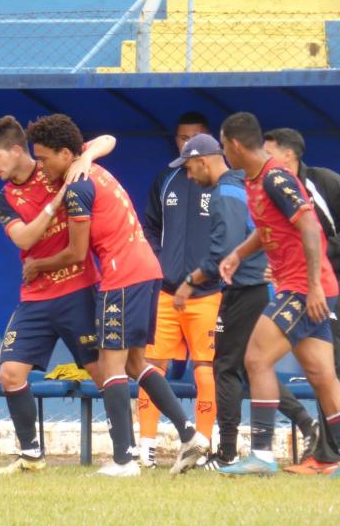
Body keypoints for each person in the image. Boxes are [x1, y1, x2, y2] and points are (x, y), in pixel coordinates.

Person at [23, 114, 209, 477]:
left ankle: (125, 459)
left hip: (121, 275)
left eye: (43, 158)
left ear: (65, 153)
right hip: (146, 269)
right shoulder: (86, 160)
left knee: (111, 365)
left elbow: (77, 254)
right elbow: (106, 135)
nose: (40, 167)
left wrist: (38, 265)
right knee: (136, 364)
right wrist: (88, 156)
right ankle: (190, 435)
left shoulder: (77, 187)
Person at [217, 112, 340, 478]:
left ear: (236, 145)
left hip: (304, 288)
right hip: (303, 286)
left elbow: (308, 224)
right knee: (322, 375)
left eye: (224, 146)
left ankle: (262, 454)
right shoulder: (254, 180)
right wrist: (239, 253)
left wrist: (315, 286)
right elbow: (271, 229)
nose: (224, 153)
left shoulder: (274, 177)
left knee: (255, 358)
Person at [172, 133, 319, 470]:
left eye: (190, 169)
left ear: (204, 160)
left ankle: (225, 453)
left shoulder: (225, 191)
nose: (190, 177)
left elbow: (225, 248)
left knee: (225, 366)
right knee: (251, 366)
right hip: (253, 286)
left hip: (246, 288)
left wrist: (191, 282)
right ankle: (306, 423)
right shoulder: (240, 184)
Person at [0, 115, 115, 475]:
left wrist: (86, 159)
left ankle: (125, 453)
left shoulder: (53, 164)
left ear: (15, 150)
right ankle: (31, 455)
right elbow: (24, 239)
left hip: (78, 289)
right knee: (10, 372)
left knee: (104, 374)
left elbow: (107, 139)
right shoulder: (2, 199)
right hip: (36, 296)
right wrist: (54, 206)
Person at [263, 128, 340, 473]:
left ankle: (328, 456)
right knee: (339, 373)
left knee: (336, 368)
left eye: (270, 153)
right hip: (310, 285)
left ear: (289, 156)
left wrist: (321, 252)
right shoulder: (276, 191)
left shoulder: (325, 182)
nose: (265, 161)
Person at [139, 112, 220, 468]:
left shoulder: (221, 183)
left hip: (208, 293)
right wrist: (159, 264)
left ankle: (202, 445)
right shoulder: (166, 179)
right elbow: (150, 227)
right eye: (181, 137)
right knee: (149, 366)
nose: (186, 144)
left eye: (194, 137)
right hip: (167, 292)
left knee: (205, 368)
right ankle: (145, 446)